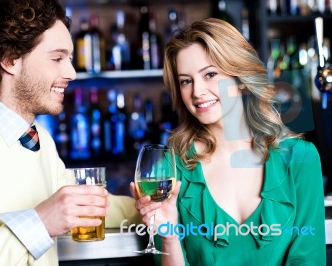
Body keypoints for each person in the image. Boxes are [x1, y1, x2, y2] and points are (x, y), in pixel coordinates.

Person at [0, 0, 139, 265]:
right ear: (10, 60)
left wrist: (149, 210)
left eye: (70, 60)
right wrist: (41, 223)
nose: (72, 73)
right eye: (57, 58)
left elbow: (81, 206)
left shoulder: (36, 138)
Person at [131, 18, 326, 265]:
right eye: (185, 81)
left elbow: (308, 259)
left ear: (241, 76)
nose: (197, 91)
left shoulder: (300, 158)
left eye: (210, 74)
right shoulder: (172, 169)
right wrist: (168, 237)